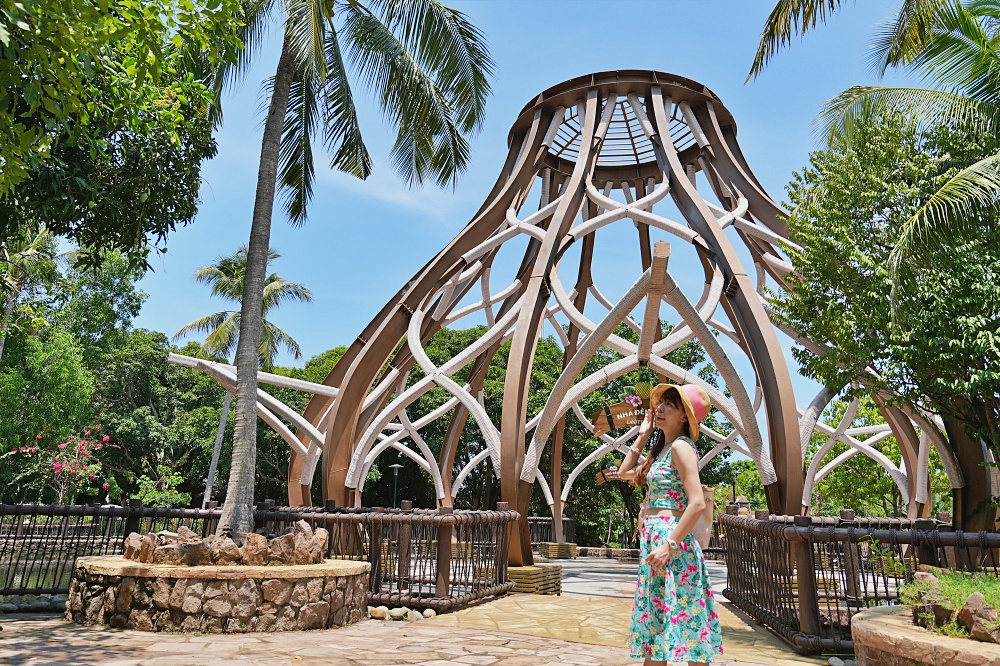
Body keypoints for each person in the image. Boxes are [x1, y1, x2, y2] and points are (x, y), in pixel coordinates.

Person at [617, 383, 723, 665]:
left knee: (688, 624)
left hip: (673, 544)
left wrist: (670, 544)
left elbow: (697, 502)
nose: (660, 409)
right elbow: (624, 472)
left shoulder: (681, 447)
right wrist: (643, 435)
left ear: (684, 416)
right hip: (657, 542)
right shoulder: (662, 449)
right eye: (660, 403)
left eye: (669, 405)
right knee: (658, 624)